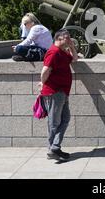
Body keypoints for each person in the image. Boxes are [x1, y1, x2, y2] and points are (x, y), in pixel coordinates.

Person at [38, 29, 78, 162]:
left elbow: (74, 59)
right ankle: (52, 149)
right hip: (54, 91)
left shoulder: (62, 52)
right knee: (54, 122)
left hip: (62, 91)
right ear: (59, 38)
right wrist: (43, 83)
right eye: (67, 38)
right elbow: (45, 70)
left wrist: (72, 46)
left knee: (65, 119)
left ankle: (54, 147)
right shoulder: (53, 52)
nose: (69, 39)